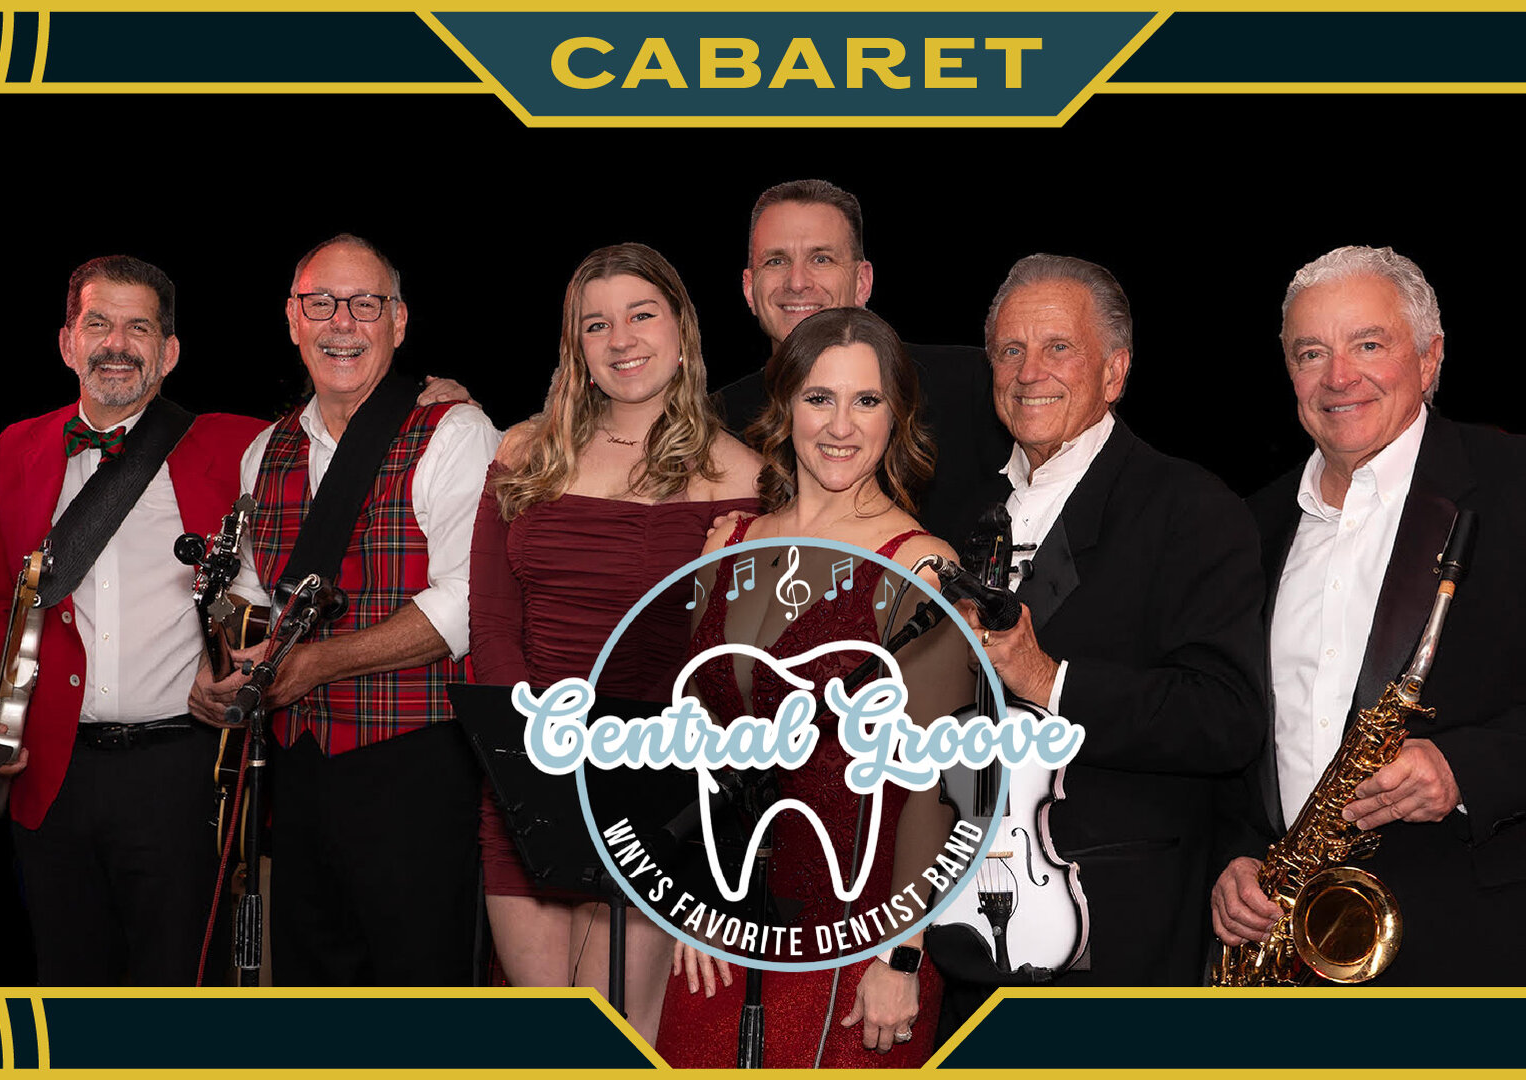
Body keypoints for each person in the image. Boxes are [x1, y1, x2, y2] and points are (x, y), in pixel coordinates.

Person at [1208, 245, 1526, 985]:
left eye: (1369, 345)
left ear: (1430, 359)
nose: (1338, 377)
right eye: (1311, 352)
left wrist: (1463, 768)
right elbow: (1227, 728)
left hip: (1495, 950)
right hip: (1297, 955)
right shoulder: (1248, 525)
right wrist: (1234, 856)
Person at [936, 255, 1267, 1035]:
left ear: (1114, 371)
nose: (1028, 373)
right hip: (965, 941)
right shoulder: (957, 515)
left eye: (1058, 348)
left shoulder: (1189, 507)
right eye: (1009, 351)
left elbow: (1225, 718)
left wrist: (1049, 679)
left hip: (1116, 933)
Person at [657, 307, 967, 1068]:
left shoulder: (921, 566)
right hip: (721, 934)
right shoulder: (727, 544)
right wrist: (693, 899)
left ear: (896, 417)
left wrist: (900, 954)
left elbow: (935, 783)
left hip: (860, 945)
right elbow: (696, 748)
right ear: (784, 405)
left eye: (866, 400)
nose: (840, 425)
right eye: (819, 397)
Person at [0, 255, 269, 984]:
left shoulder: (237, 444)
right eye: (97, 324)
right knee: (70, 986)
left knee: (184, 989)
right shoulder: (16, 448)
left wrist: (432, 398)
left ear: (169, 352)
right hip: (52, 771)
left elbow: (345, 433)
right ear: (68, 343)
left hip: (183, 771)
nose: (116, 344)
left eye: (138, 327)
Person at [190, 234, 501, 986]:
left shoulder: (455, 432)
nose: (342, 323)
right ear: (292, 319)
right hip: (296, 768)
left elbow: (468, 602)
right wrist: (215, 665)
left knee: (421, 994)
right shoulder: (264, 451)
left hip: (418, 763)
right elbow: (257, 594)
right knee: (313, 989)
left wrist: (317, 663)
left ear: (399, 321)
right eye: (321, 303)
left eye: (365, 304)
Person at [468, 243, 758, 1037]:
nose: (620, 339)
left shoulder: (741, 476)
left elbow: (728, 666)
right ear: (577, 347)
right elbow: (490, 621)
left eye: (640, 315)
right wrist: (536, 756)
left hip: (653, 787)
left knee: (615, 1034)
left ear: (680, 329)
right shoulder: (523, 452)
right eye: (596, 325)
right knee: (540, 1035)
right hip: (530, 773)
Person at [715, 180, 1010, 540]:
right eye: (776, 261)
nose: (797, 282)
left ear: (862, 282)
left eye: (821, 259)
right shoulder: (716, 422)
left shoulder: (969, 386)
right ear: (749, 288)